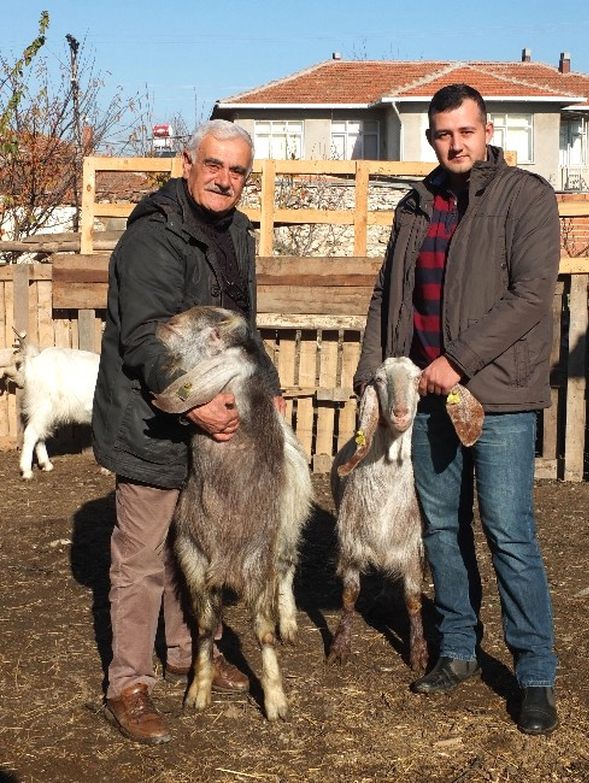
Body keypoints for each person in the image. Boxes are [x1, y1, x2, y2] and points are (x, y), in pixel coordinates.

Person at [354, 84, 560, 735]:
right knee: (441, 529)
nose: (456, 143)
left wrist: (457, 359)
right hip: (422, 395)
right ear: (432, 137)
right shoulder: (415, 206)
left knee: (508, 532)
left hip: (495, 394)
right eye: (444, 134)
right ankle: (460, 649)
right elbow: (389, 292)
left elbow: (530, 295)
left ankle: (533, 672)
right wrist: (372, 373)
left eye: (466, 131)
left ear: (487, 129)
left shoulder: (524, 196)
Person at [92, 119, 282, 745]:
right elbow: (145, 339)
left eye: (238, 172)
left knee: (193, 545)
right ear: (187, 164)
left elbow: (241, 329)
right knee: (142, 557)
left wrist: (268, 386)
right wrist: (195, 406)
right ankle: (128, 684)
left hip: (214, 426)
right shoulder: (154, 239)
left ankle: (186, 651)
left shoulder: (236, 235)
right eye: (215, 166)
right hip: (155, 419)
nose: (226, 180)